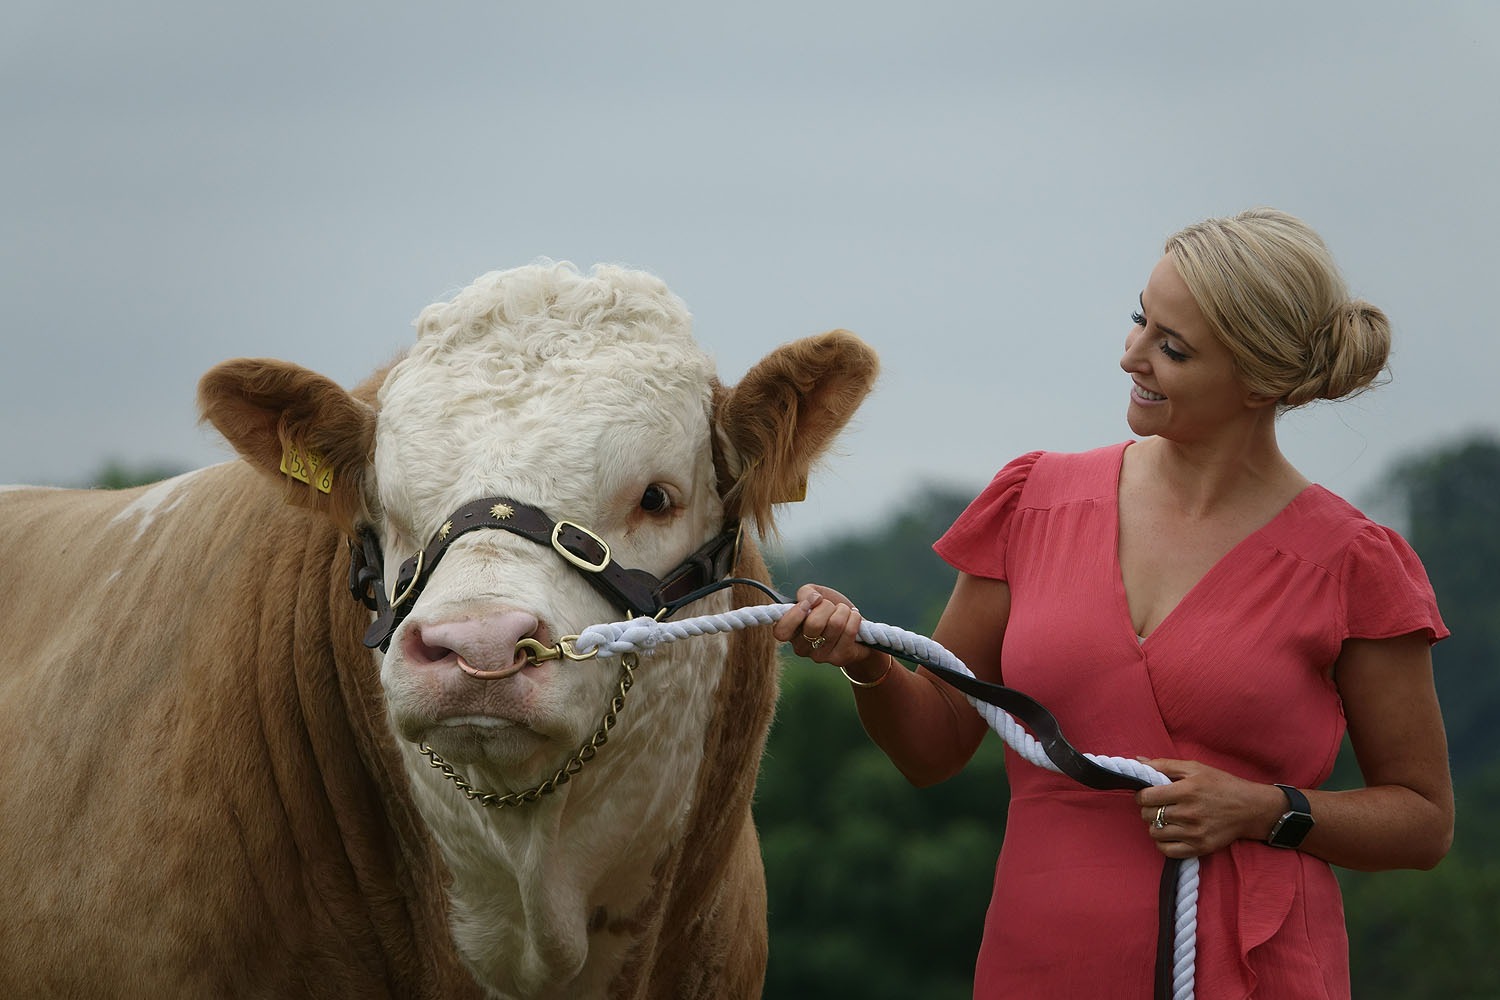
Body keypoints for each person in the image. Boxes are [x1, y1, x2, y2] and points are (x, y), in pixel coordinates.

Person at [773, 208, 1454, 999]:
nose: (1131, 356)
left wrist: (1265, 810)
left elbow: (1423, 820)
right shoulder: (1034, 502)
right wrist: (866, 662)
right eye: (1141, 319)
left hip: (1256, 971)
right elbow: (935, 749)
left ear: (1261, 381)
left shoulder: (1354, 562)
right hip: (1039, 958)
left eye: (1173, 348)